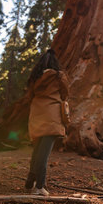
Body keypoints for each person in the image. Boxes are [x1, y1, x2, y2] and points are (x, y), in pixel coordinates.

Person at [24, 49, 69, 196]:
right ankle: (39, 187)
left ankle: (29, 183)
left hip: (36, 115)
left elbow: (29, 96)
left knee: (37, 151)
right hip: (52, 117)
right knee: (44, 154)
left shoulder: (35, 78)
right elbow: (65, 93)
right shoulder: (58, 76)